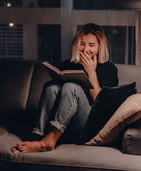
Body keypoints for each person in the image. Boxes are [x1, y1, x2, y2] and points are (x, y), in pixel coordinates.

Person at [11, 23, 118, 153]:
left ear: (100, 47)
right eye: (82, 44)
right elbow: (55, 97)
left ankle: (48, 142)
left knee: (71, 87)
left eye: (91, 45)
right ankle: (37, 137)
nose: (85, 50)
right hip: (65, 124)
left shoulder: (109, 69)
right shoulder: (68, 64)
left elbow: (102, 106)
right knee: (51, 87)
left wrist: (91, 72)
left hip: (88, 126)